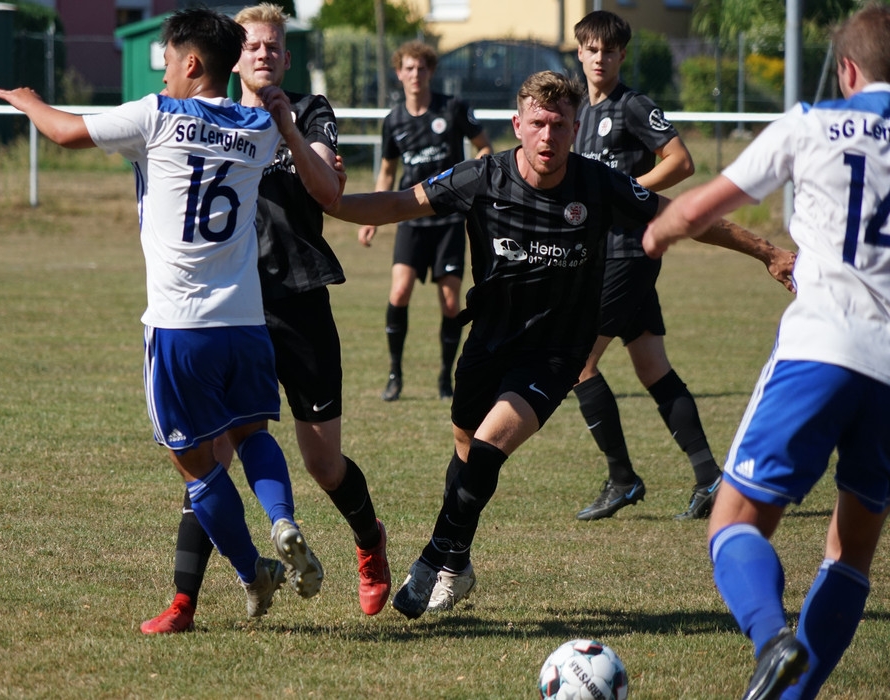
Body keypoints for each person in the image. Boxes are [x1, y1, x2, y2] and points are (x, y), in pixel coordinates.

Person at [326, 70, 795, 619]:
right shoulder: (483, 177)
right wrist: (325, 201)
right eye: (539, 124)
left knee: (489, 447)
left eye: (560, 125)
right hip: (489, 339)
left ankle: (433, 560)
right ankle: (459, 562)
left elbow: (684, 217)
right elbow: (396, 204)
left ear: (576, 128)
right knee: (466, 451)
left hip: (556, 350)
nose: (548, 136)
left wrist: (766, 250)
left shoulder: (597, 184)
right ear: (517, 124)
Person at [0, 6, 330, 623]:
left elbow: (65, 132)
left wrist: (29, 101)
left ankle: (252, 569)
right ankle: (282, 520)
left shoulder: (157, 115)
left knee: (195, 466)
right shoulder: (259, 129)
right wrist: (285, 121)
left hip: (180, 326)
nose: (164, 73)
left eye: (168, 61)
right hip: (245, 322)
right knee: (253, 434)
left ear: (192, 63)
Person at [644, 5, 890, 698]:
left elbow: (699, 207)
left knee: (734, 522)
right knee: (852, 550)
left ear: (847, 70)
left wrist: (657, 233)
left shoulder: (810, 123)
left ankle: (771, 637)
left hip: (821, 348)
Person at [139, 3, 391, 635]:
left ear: (286, 55)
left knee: (323, 464)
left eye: (274, 46)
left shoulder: (309, 112)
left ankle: (370, 541)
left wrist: (288, 131)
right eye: (252, 46)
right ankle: (184, 602)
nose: (263, 55)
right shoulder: (209, 116)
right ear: (234, 56)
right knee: (211, 457)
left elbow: (328, 190)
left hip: (299, 300)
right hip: (228, 310)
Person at [570, 10, 721, 522]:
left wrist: (631, 188)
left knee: (579, 362)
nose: (600, 58)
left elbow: (681, 161)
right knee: (653, 366)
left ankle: (622, 478)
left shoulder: (632, 105)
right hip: (604, 251)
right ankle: (710, 477)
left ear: (622, 56)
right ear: (580, 53)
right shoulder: (580, 112)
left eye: (609, 51)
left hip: (629, 251)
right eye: (592, 50)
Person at [357, 40, 493, 402]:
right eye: (409, 68)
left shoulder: (452, 108)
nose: (415, 74)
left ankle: (446, 378)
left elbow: (483, 145)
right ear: (399, 73)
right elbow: (388, 171)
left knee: (450, 303)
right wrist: (371, 216)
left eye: (422, 68)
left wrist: (478, 172)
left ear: (431, 72)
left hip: (448, 221)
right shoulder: (394, 120)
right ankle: (395, 375)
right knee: (399, 292)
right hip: (411, 220)